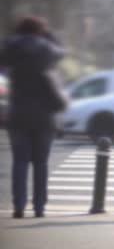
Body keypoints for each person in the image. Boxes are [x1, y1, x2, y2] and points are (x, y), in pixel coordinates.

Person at [0, 17, 67, 218]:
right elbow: (61, 52)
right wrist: (49, 35)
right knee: (41, 163)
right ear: (40, 31)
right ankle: (39, 207)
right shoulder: (47, 49)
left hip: (18, 112)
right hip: (44, 115)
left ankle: (18, 206)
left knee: (19, 161)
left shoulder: (12, 48)